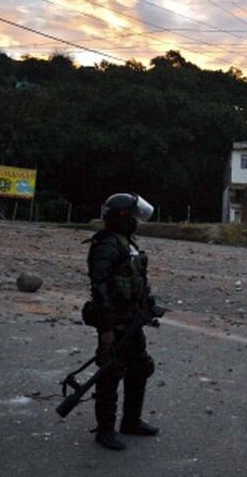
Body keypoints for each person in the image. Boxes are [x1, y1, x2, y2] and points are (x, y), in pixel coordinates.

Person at [85, 193, 159, 450]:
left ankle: (131, 421)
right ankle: (105, 430)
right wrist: (106, 329)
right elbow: (101, 289)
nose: (138, 221)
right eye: (134, 216)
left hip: (132, 321)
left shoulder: (128, 243)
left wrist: (148, 306)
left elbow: (138, 280)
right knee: (110, 374)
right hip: (114, 323)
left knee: (140, 368)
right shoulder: (106, 245)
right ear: (123, 217)